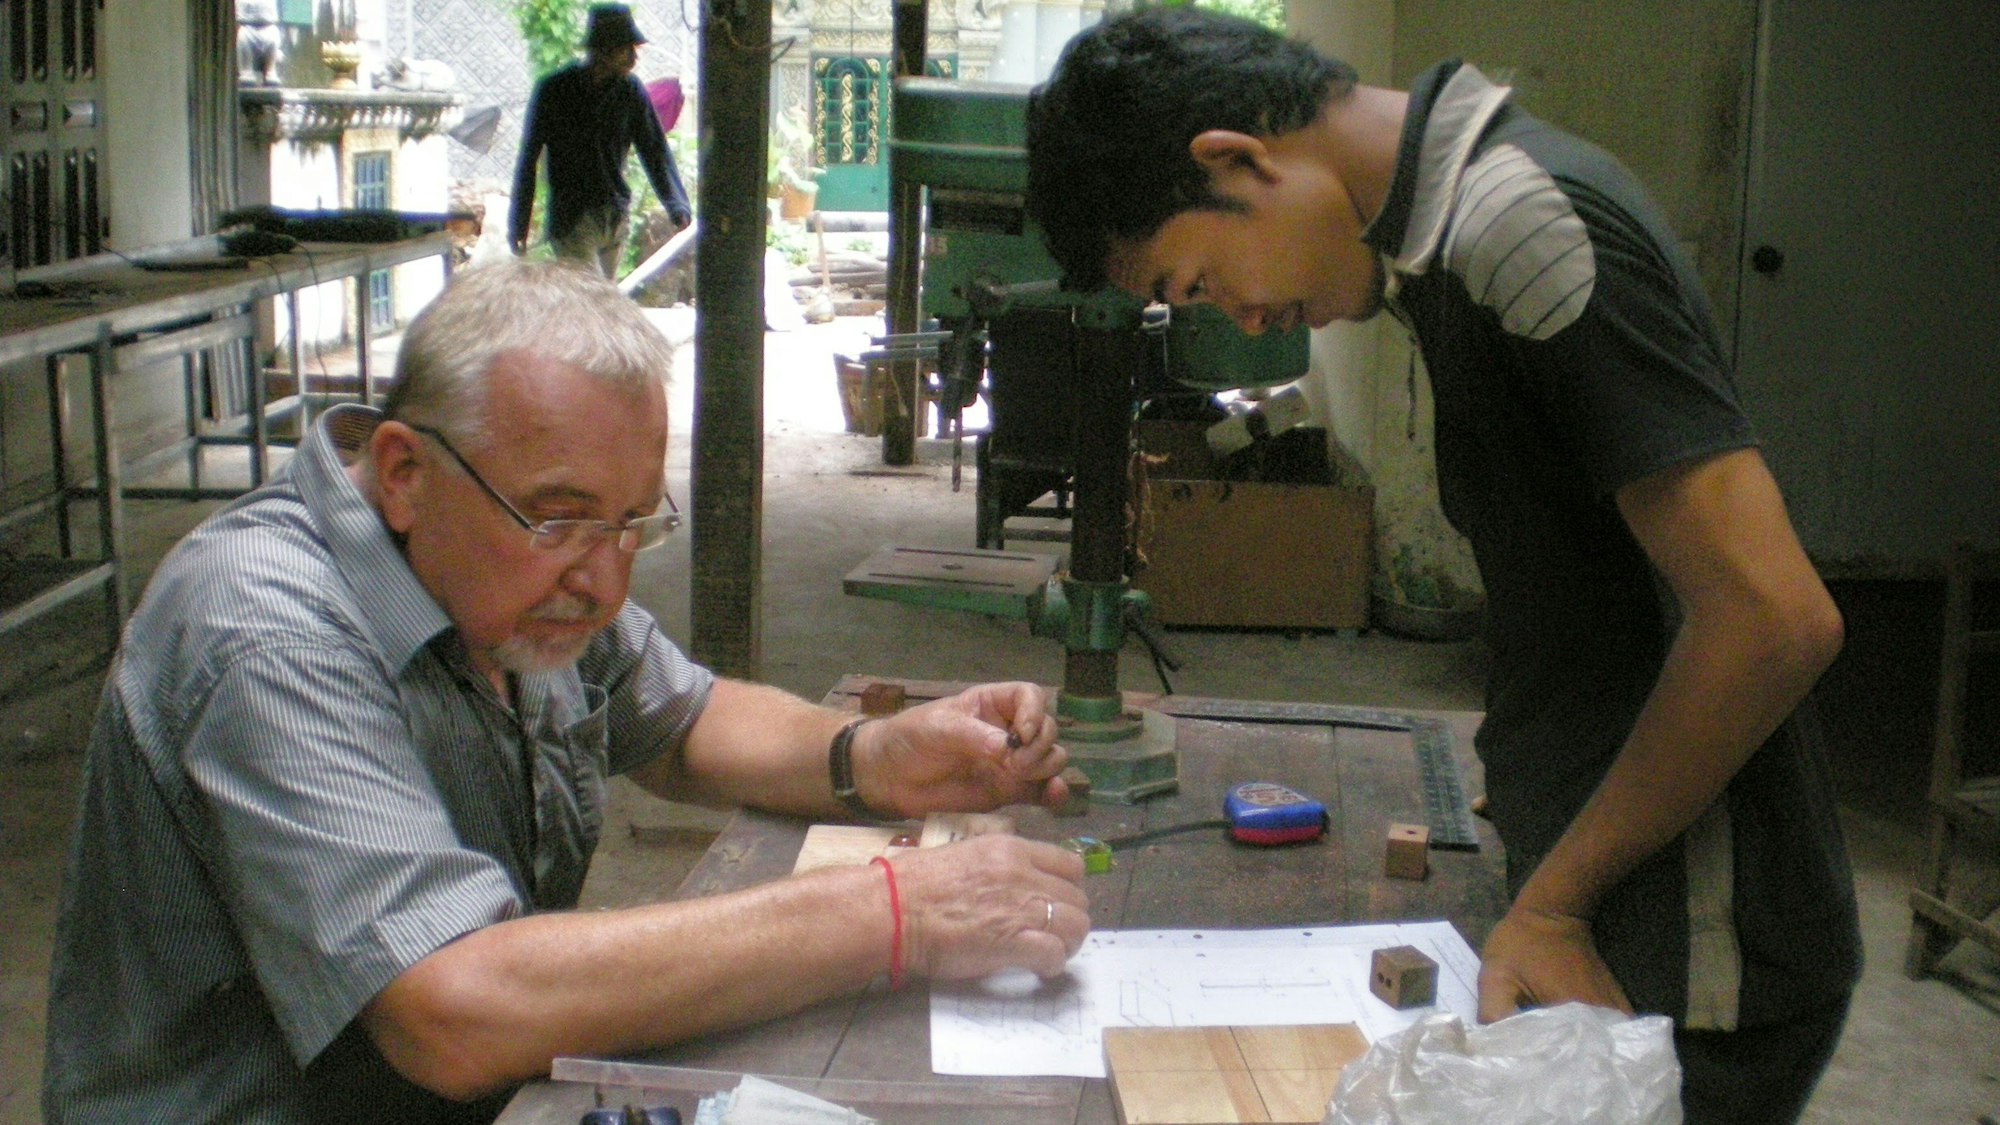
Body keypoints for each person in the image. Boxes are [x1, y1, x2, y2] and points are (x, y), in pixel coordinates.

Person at [1024, 10, 1859, 1124]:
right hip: (1600, 864)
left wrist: (1557, 904)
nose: (1239, 312)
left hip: (1691, 936)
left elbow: (1770, 619)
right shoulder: (1437, 246)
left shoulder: (1521, 230)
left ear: (1233, 160)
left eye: (1196, 280)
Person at [43, 258, 1090, 1124]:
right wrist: (895, 910)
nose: (606, 579)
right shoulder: (263, 627)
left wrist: (871, 756)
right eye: (561, 518)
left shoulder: (506, 570)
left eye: (633, 522)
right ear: (404, 472)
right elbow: (452, 1010)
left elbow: (682, 719)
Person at [509, 3, 693, 276]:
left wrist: (676, 204)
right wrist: (518, 222)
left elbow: (654, 149)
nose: (634, 57)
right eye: (626, 48)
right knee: (590, 302)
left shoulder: (630, 91)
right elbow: (528, 159)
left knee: (603, 300)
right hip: (573, 219)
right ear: (603, 50)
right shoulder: (554, 91)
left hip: (614, 216)